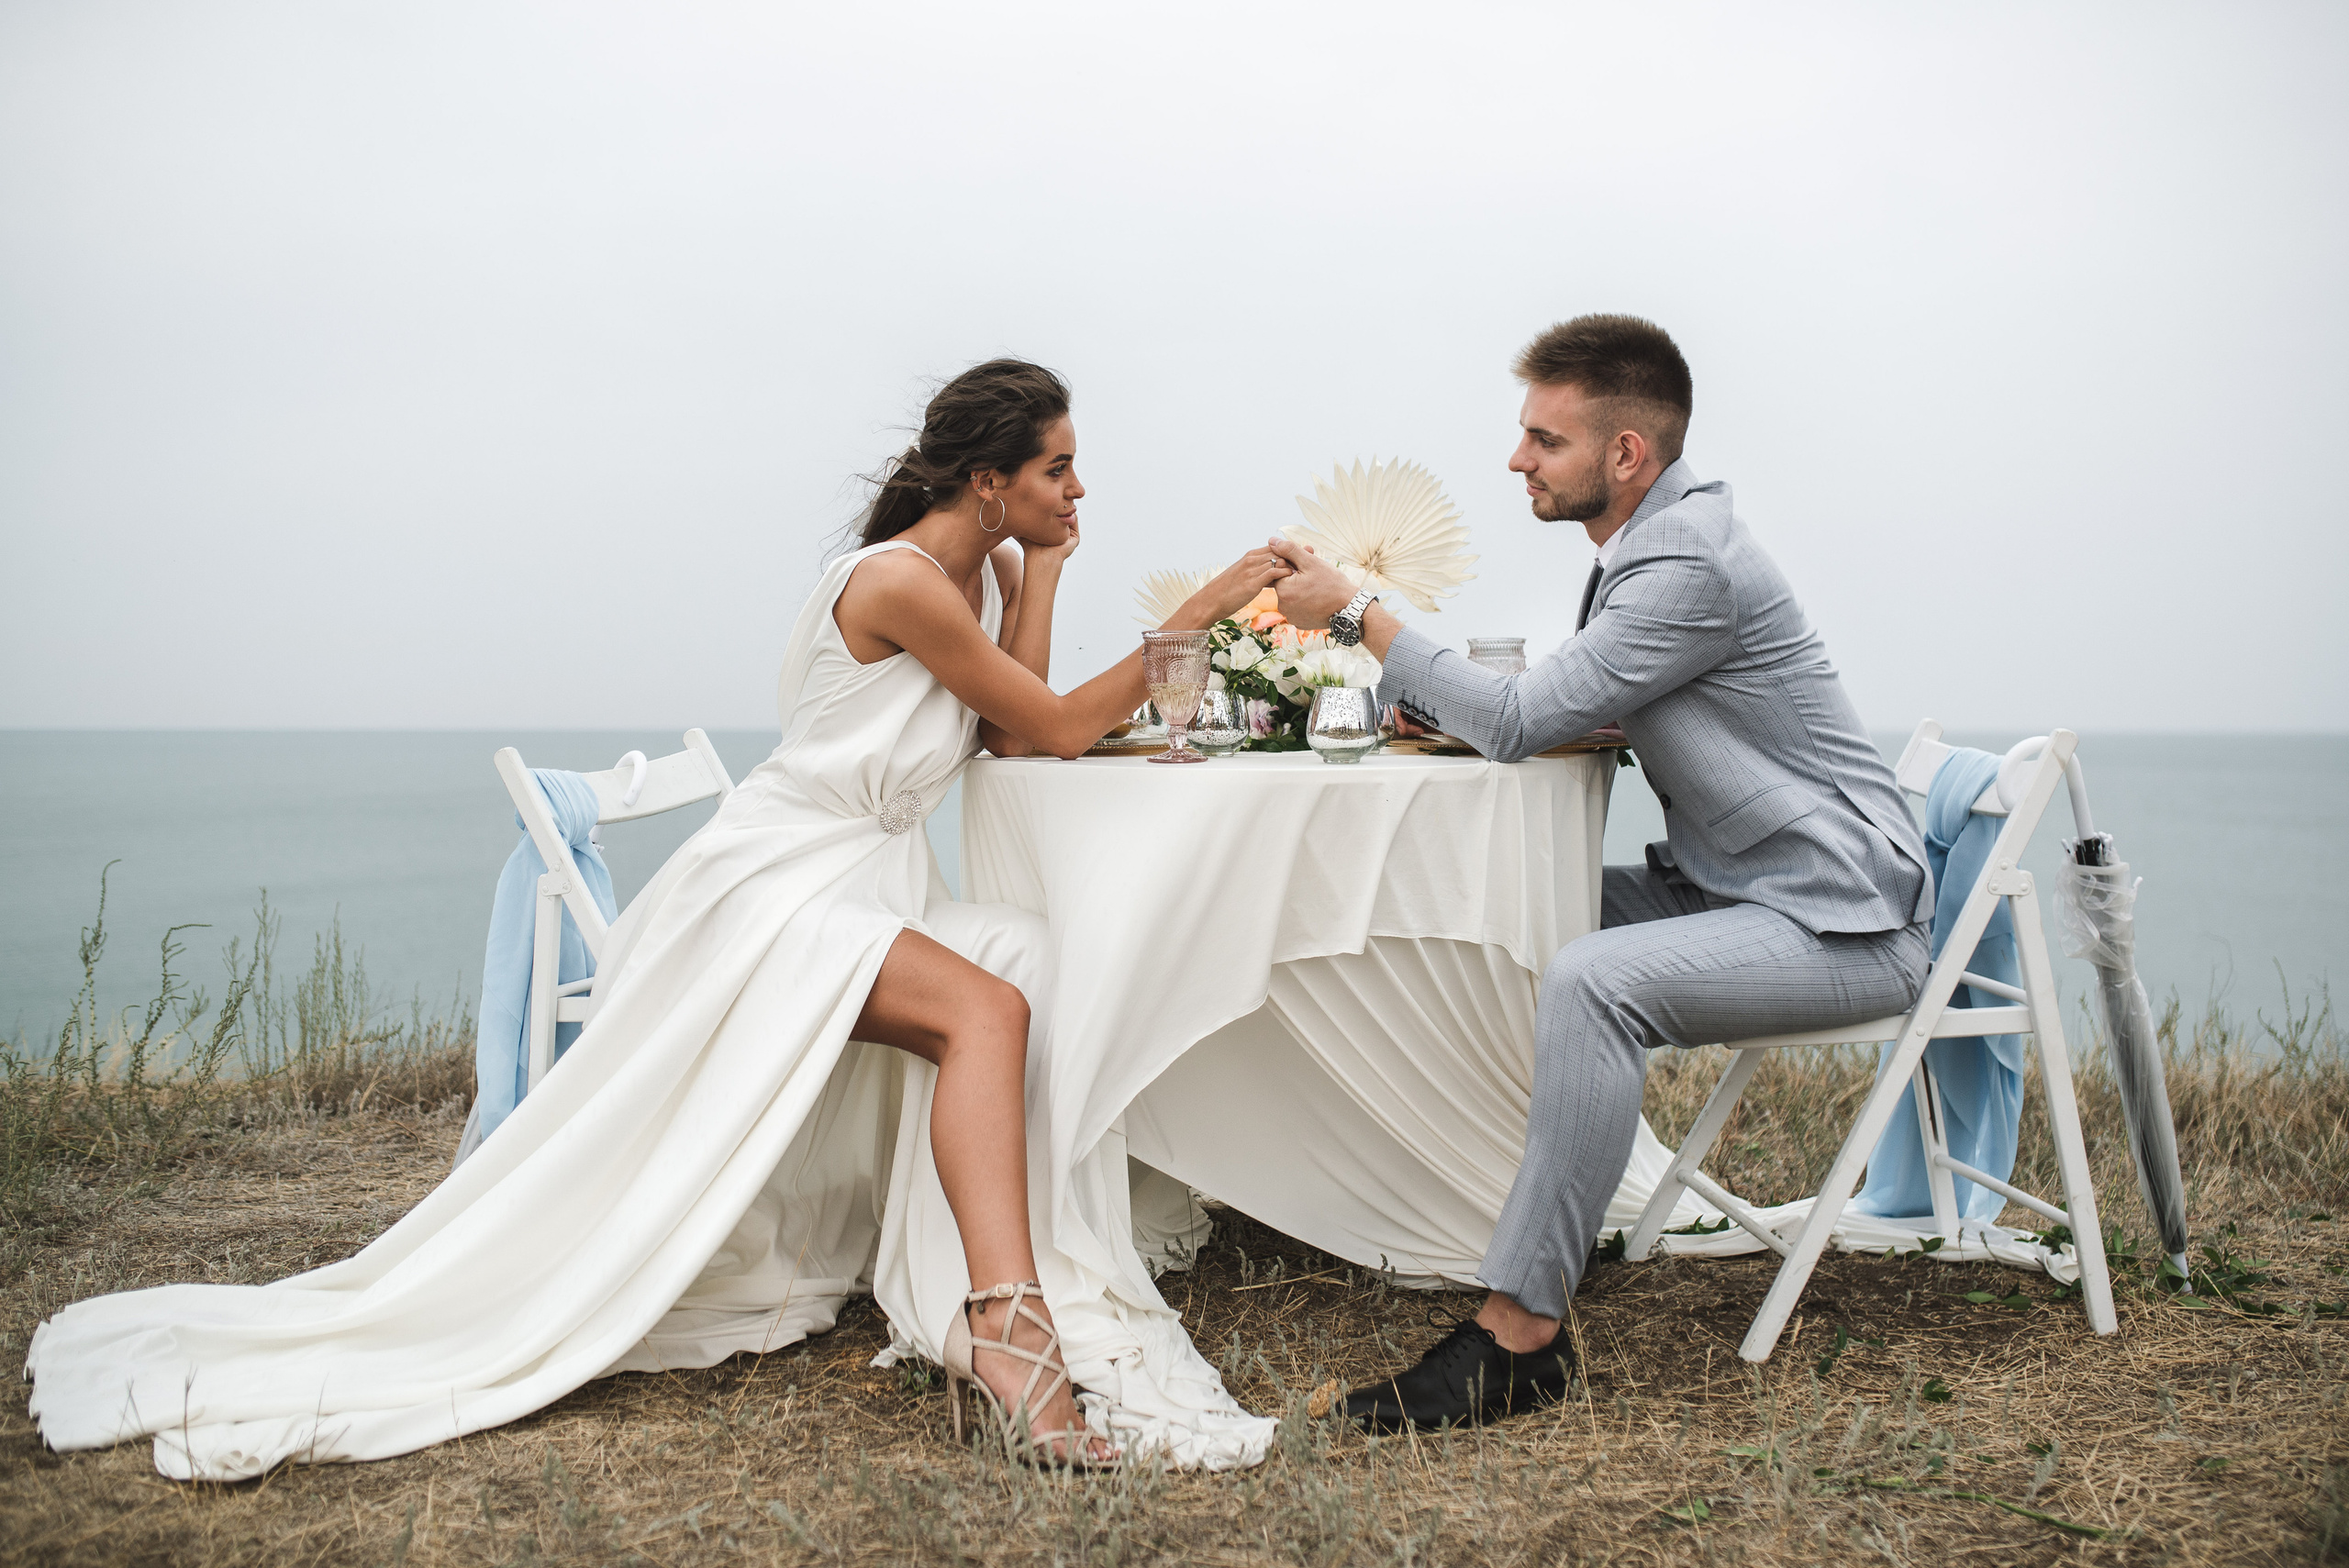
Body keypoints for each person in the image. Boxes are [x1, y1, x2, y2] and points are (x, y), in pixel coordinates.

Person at [26, 359, 1289, 1474]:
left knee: (1024, 955)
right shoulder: (900, 581)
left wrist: (1043, 572)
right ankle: (1009, 1328)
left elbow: (1018, 722)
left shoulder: (962, 581)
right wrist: (1211, 604)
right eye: (1058, 471)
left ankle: (992, 1278)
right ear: (987, 478)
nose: (1080, 489)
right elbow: (1062, 724)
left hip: (857, 879)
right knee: (989, 1002)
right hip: (781, 889)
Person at [1268, 315, 1932, 1431]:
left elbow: (1525, 718)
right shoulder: (1653, 549)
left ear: (1625, 454)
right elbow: (1568, 693)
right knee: (1499, 912)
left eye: (1543, 438)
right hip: (1737, 884)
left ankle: (1518, 1335)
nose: (1517, 460)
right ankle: (1494, 1208)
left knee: (1593, 977)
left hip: (1838, 920)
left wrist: (1355, 612)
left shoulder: (1685, 561)